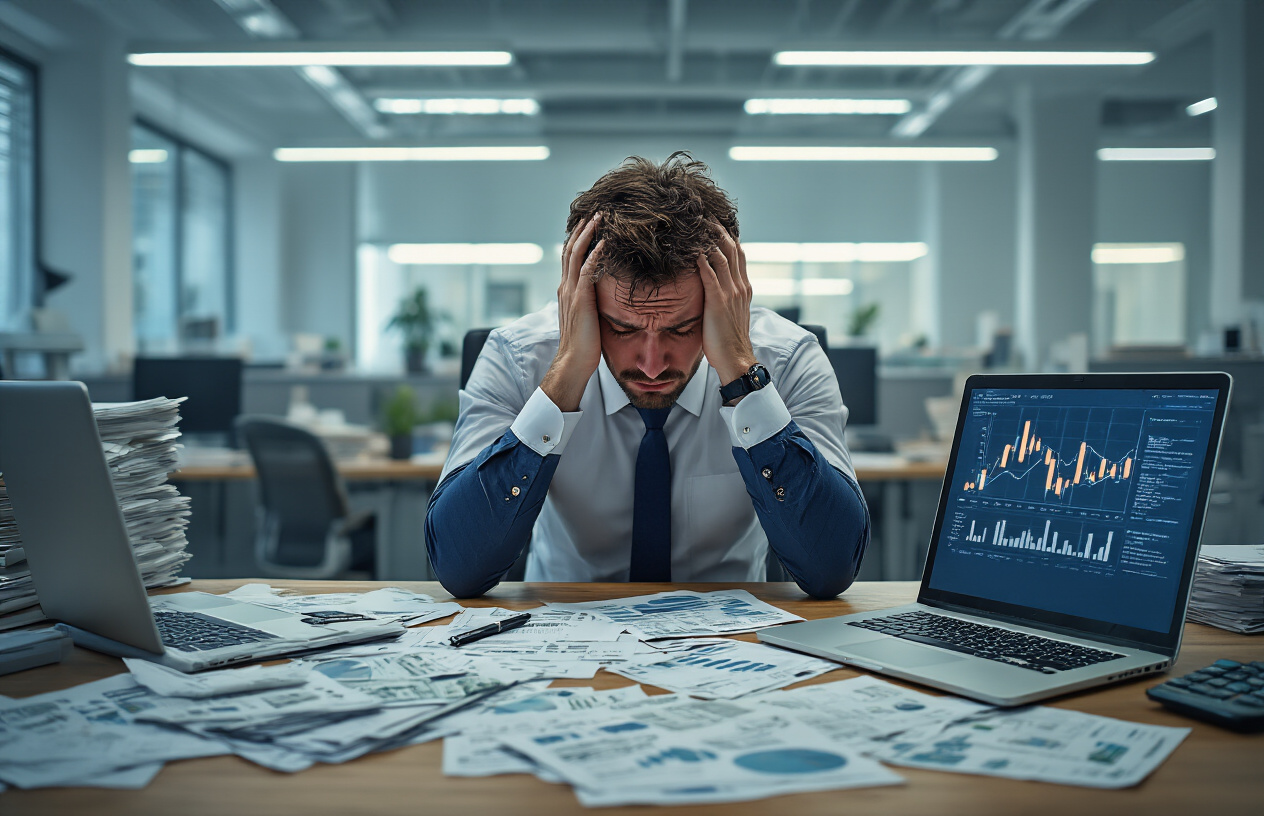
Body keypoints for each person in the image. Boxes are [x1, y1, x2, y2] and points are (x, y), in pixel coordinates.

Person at [425, 153, 869, 598]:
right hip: (566, 633)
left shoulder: (788, 359)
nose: (652, 364)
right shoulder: (517, 357)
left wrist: (740, 374)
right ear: (580, 301)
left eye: (682, 327)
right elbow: (460, 568)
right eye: (622, 328)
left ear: (726, 302)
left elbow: (830, 568)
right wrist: (564, 378)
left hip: (730, 638)